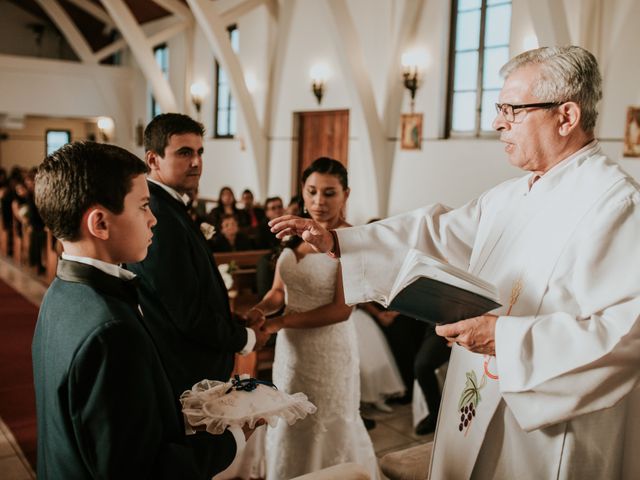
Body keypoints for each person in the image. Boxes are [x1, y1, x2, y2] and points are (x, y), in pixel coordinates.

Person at [270, 46, 640, 478]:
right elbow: (436, 234)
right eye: (499, 107)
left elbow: (628, 332)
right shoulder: (513, 195)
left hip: (550, 430)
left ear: (566, 116)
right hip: (478, 396)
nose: (497, 122)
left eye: (512, 110)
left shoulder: (615, 204)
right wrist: (340, 240)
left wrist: (506, 338)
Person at [31, 141, 236, 479]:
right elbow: (141, 471)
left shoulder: (61, 292)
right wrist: (233, 441)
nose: (153, 219)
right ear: (100, 223)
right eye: (143, 206)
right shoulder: (112, 331)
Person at [126, 114, 270, 471]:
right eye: (184, 152)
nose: (196, 162)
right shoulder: (157, 214)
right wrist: (246, 338)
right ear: (153, 160)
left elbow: (187, 288)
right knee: (198, 464)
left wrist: (230, 317)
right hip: (182, 368)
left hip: (194, 361)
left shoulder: (172, 206)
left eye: (200, 152)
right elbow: (185, 313)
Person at [247, 158, 380, 479]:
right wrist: (260, 310)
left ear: (345, 194)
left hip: (329, 350)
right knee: (291, 420)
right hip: (292, 353)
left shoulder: (352, 240)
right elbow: (280, 292)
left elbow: (341, 309)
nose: (319, 201)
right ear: (303, 194)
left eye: (329, 193)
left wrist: (279, 324)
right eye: (312, 192)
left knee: (325, 421)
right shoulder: (294, 234)